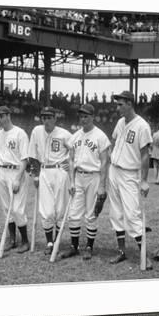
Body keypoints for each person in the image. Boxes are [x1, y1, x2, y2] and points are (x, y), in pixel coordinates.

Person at [107, 91, 153, 269]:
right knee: (115, 213)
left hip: (129, 174)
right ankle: (121, 252)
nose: (117, 107)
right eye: (117, 104)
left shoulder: (142, 126)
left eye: (120, 104)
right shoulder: (120, 122)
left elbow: (144, 155)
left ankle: (144, 255)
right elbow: (114, 141)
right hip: (114, 170)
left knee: (132, 215)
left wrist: (144, 180)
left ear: (129, 104)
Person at [61, 104, 110, 260]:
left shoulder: (100, 136)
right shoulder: (75, 136)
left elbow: (104, 162)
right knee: (73, 214)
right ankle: (74, 247)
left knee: (91, 215)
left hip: (94, 176)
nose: (83, 119)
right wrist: (72, 181)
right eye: (81, 116)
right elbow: (70, 160)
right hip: (78, 176)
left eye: (86, 116)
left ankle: (89, 246)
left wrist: (102, 185)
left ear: (92, 117)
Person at [28, 106, 72, 255]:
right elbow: (32, 155)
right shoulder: (36, 131)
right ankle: (49, 242)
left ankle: (57, 240)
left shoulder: (65, 134)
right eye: (44, 117)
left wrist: (70, 161)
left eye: (49, 117)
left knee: (60, 209)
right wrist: (35, 174)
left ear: (55, 118)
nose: (46, 120)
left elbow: (76, 150)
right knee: (46, 211)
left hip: (60, 172)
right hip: (44, 171)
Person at [0, 106, 31, 253]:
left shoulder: (20, 133)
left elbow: (24, 159)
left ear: (8, 116)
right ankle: (12, 239)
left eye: (1, 116)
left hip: (16, 171)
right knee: (6, 207)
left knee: (17, 209)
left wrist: (17, 178)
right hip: (2, 170)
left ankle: (25, 241)